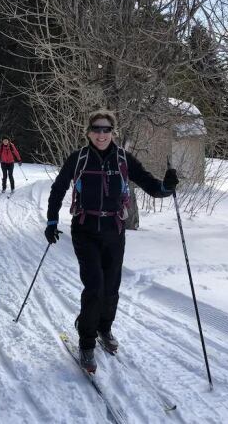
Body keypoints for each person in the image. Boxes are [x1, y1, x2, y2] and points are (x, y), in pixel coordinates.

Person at [44, 109, 179, 373]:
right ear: (88, 132)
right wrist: (51, 221)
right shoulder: (79, 158)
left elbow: (150, 184)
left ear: (113, 132)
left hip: (114, 229)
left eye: (106, 129)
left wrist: (167, 186)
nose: (101, 134)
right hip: (84, 229)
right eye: (96, 129)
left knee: (112, 288)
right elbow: (58, 188)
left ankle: (104, 328)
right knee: (94, 286)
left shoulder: (122, 159)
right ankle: (86, 341)